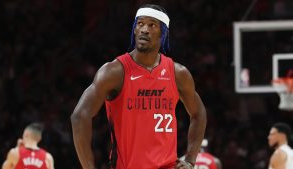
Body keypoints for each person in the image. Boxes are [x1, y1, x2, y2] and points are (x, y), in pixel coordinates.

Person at [71, 4, 207, 169]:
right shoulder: (114, 72)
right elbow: (79, 116)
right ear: (134, 29)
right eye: (140, 24)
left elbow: (199, 113)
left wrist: (191, 160)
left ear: (163, 33)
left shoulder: (178, 73)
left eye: (152, 25)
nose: (144, 29)